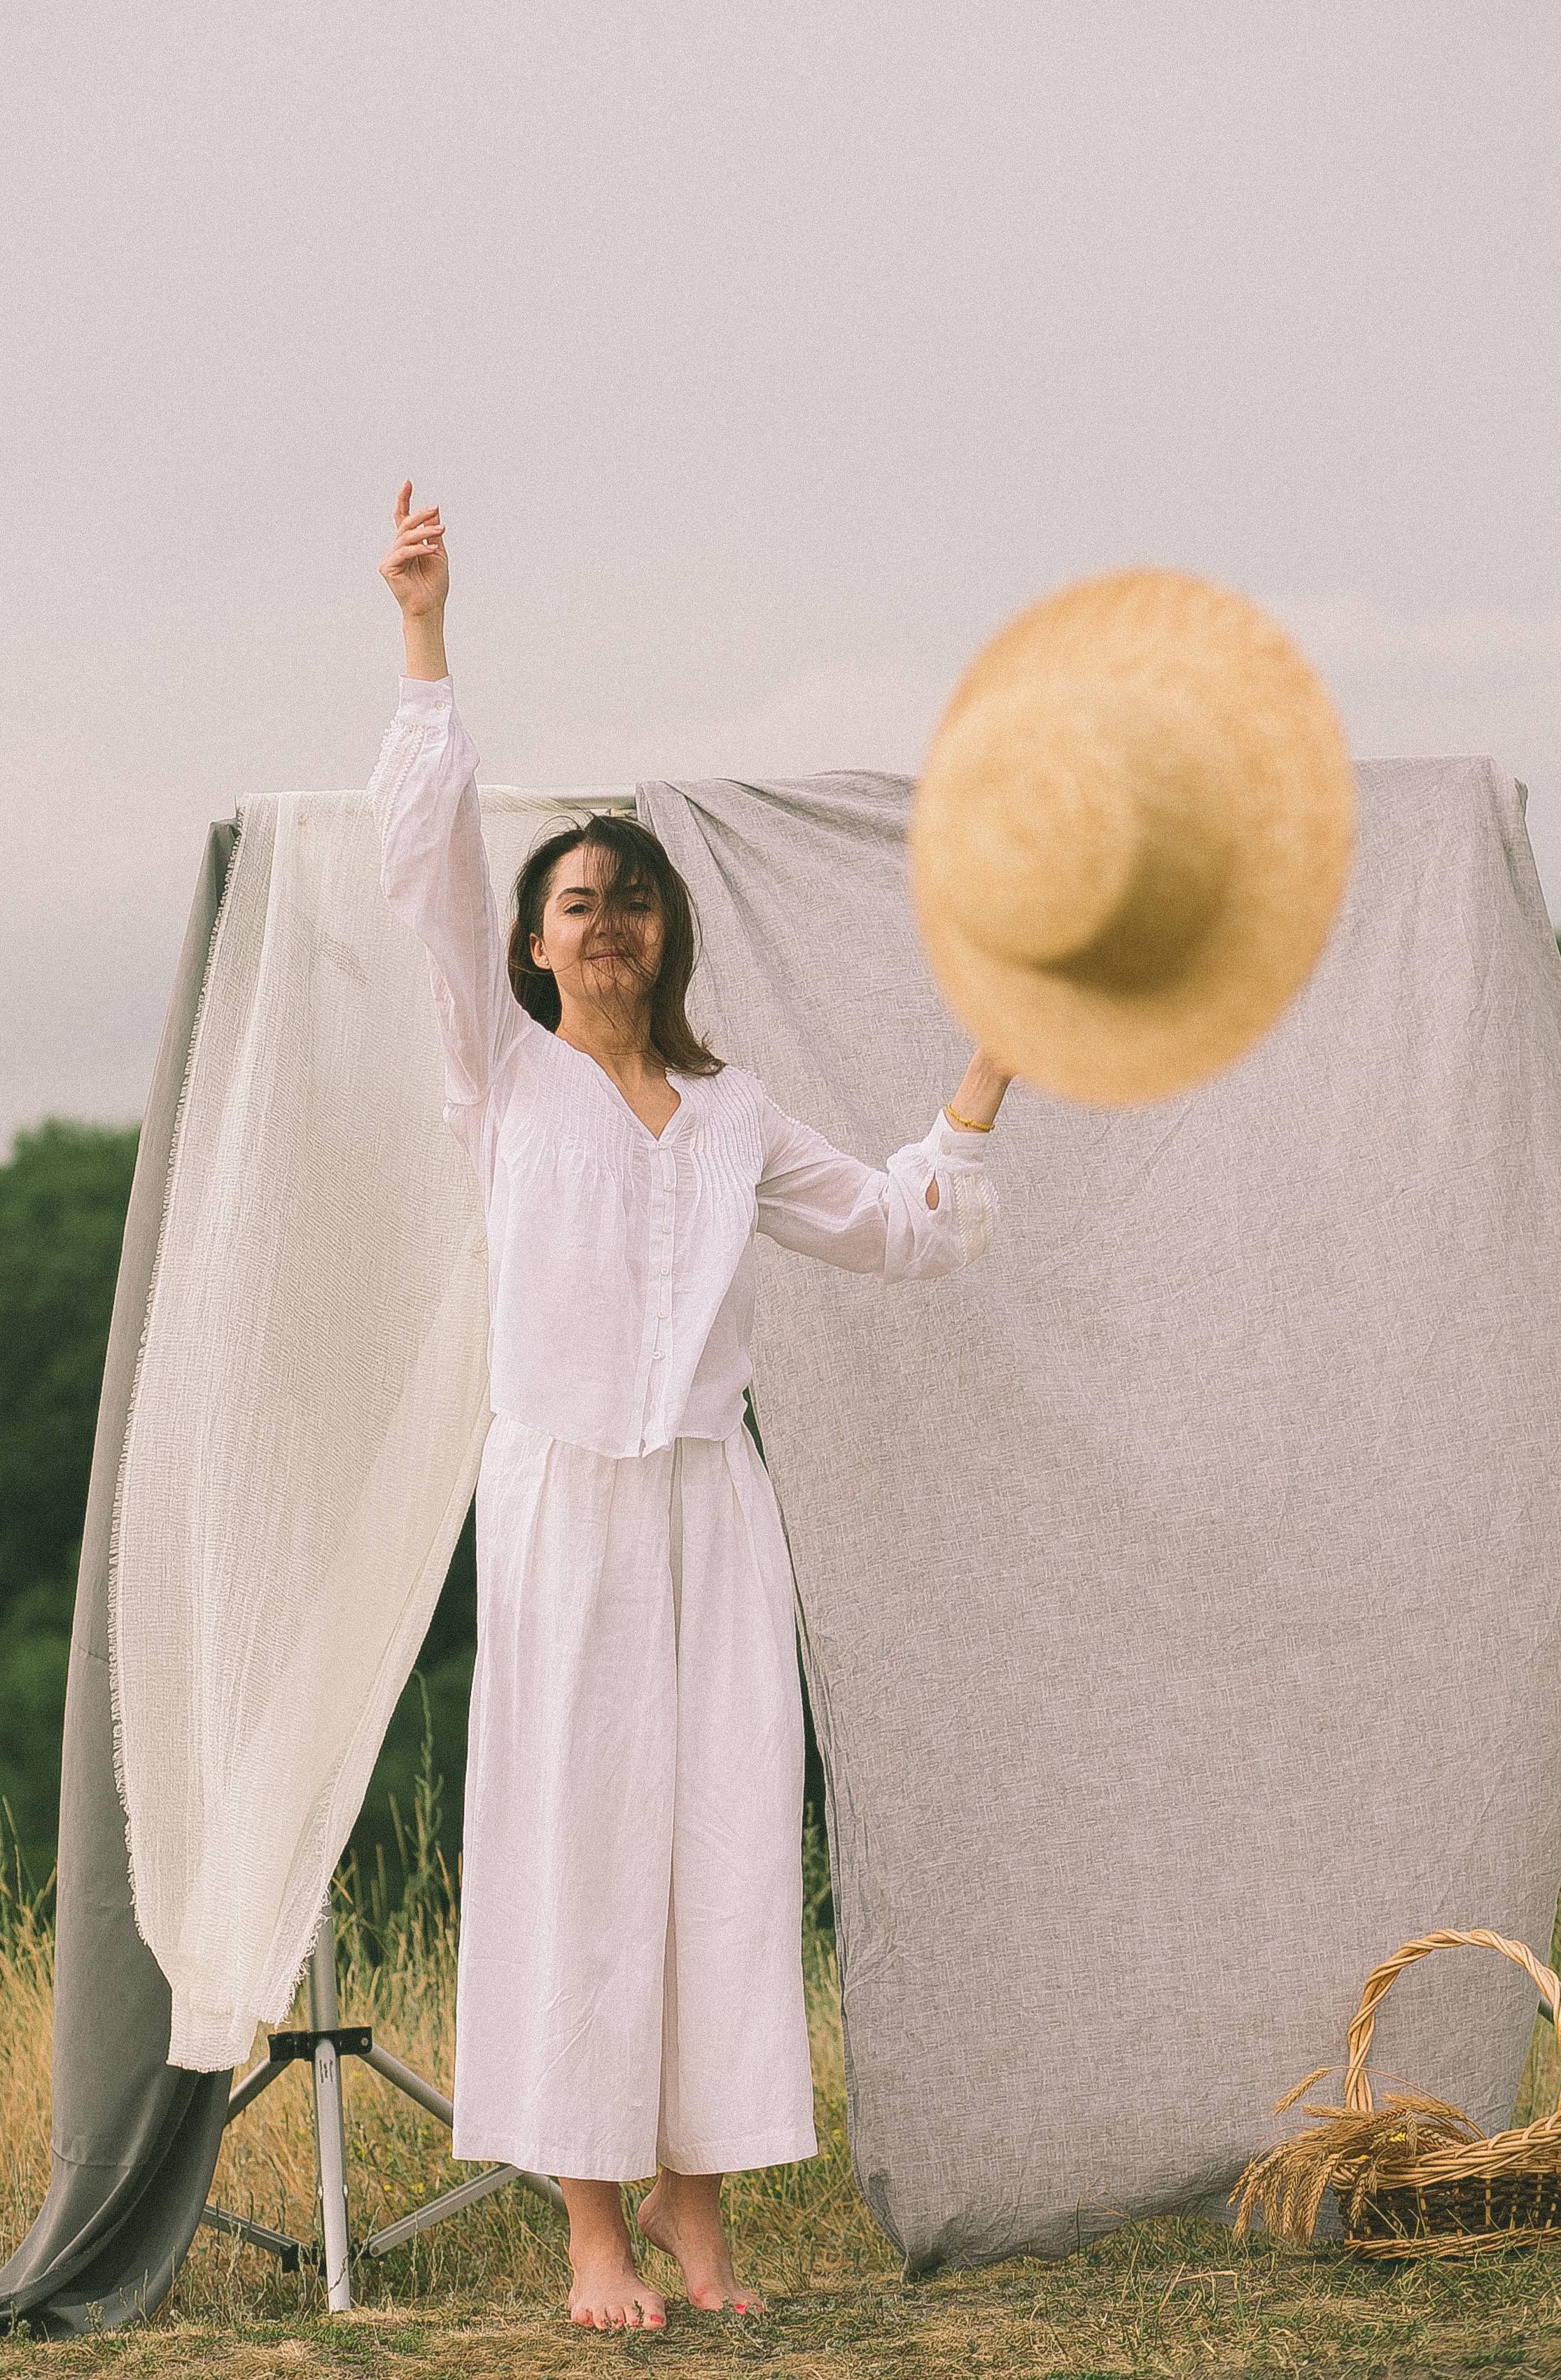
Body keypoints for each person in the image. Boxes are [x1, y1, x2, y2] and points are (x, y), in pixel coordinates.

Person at [370, 483, 1011, 2331]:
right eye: (578, 902)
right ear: (533, 944)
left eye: (632, 900)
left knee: (726, 1837)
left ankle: (696, 2205)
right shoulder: (500, 1079)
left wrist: (975, 1083)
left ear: (666, 934)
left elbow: (900, 1231)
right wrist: (424, 633)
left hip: (713, 1516)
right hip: (567, 1499)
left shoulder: (731, 1119)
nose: (609, 922)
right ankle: (587, 2225)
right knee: (578, 1845)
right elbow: (424, 865)